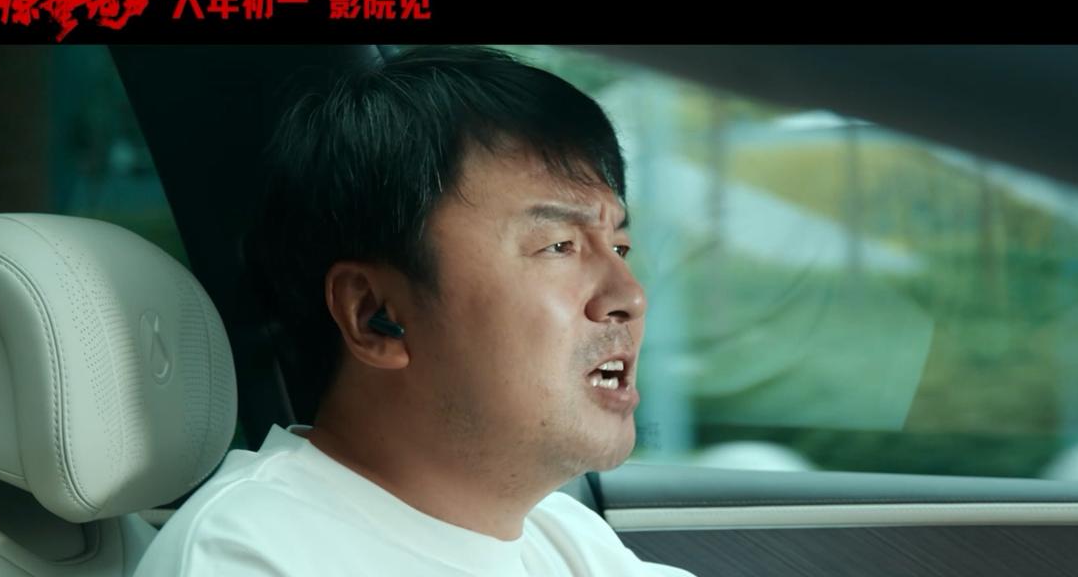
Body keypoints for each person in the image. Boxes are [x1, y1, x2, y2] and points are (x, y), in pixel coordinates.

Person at [134, 46, 695, 576]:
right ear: (374, 314)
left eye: (619, 247)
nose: (630, 297)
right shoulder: (248, 555)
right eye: (558, 246)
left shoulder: (562, 535)